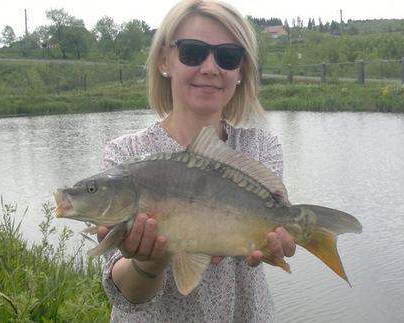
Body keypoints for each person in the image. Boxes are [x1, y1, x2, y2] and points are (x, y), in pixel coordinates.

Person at [98, 0, 296, 321]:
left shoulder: (262, 147)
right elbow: (127, 295)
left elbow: (270, 231)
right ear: (165, 60)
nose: (209, 67)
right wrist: (150, 262)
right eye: (193, 51)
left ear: (241, 70)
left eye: (228, 56)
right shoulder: (127, 156)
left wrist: (280, 242)